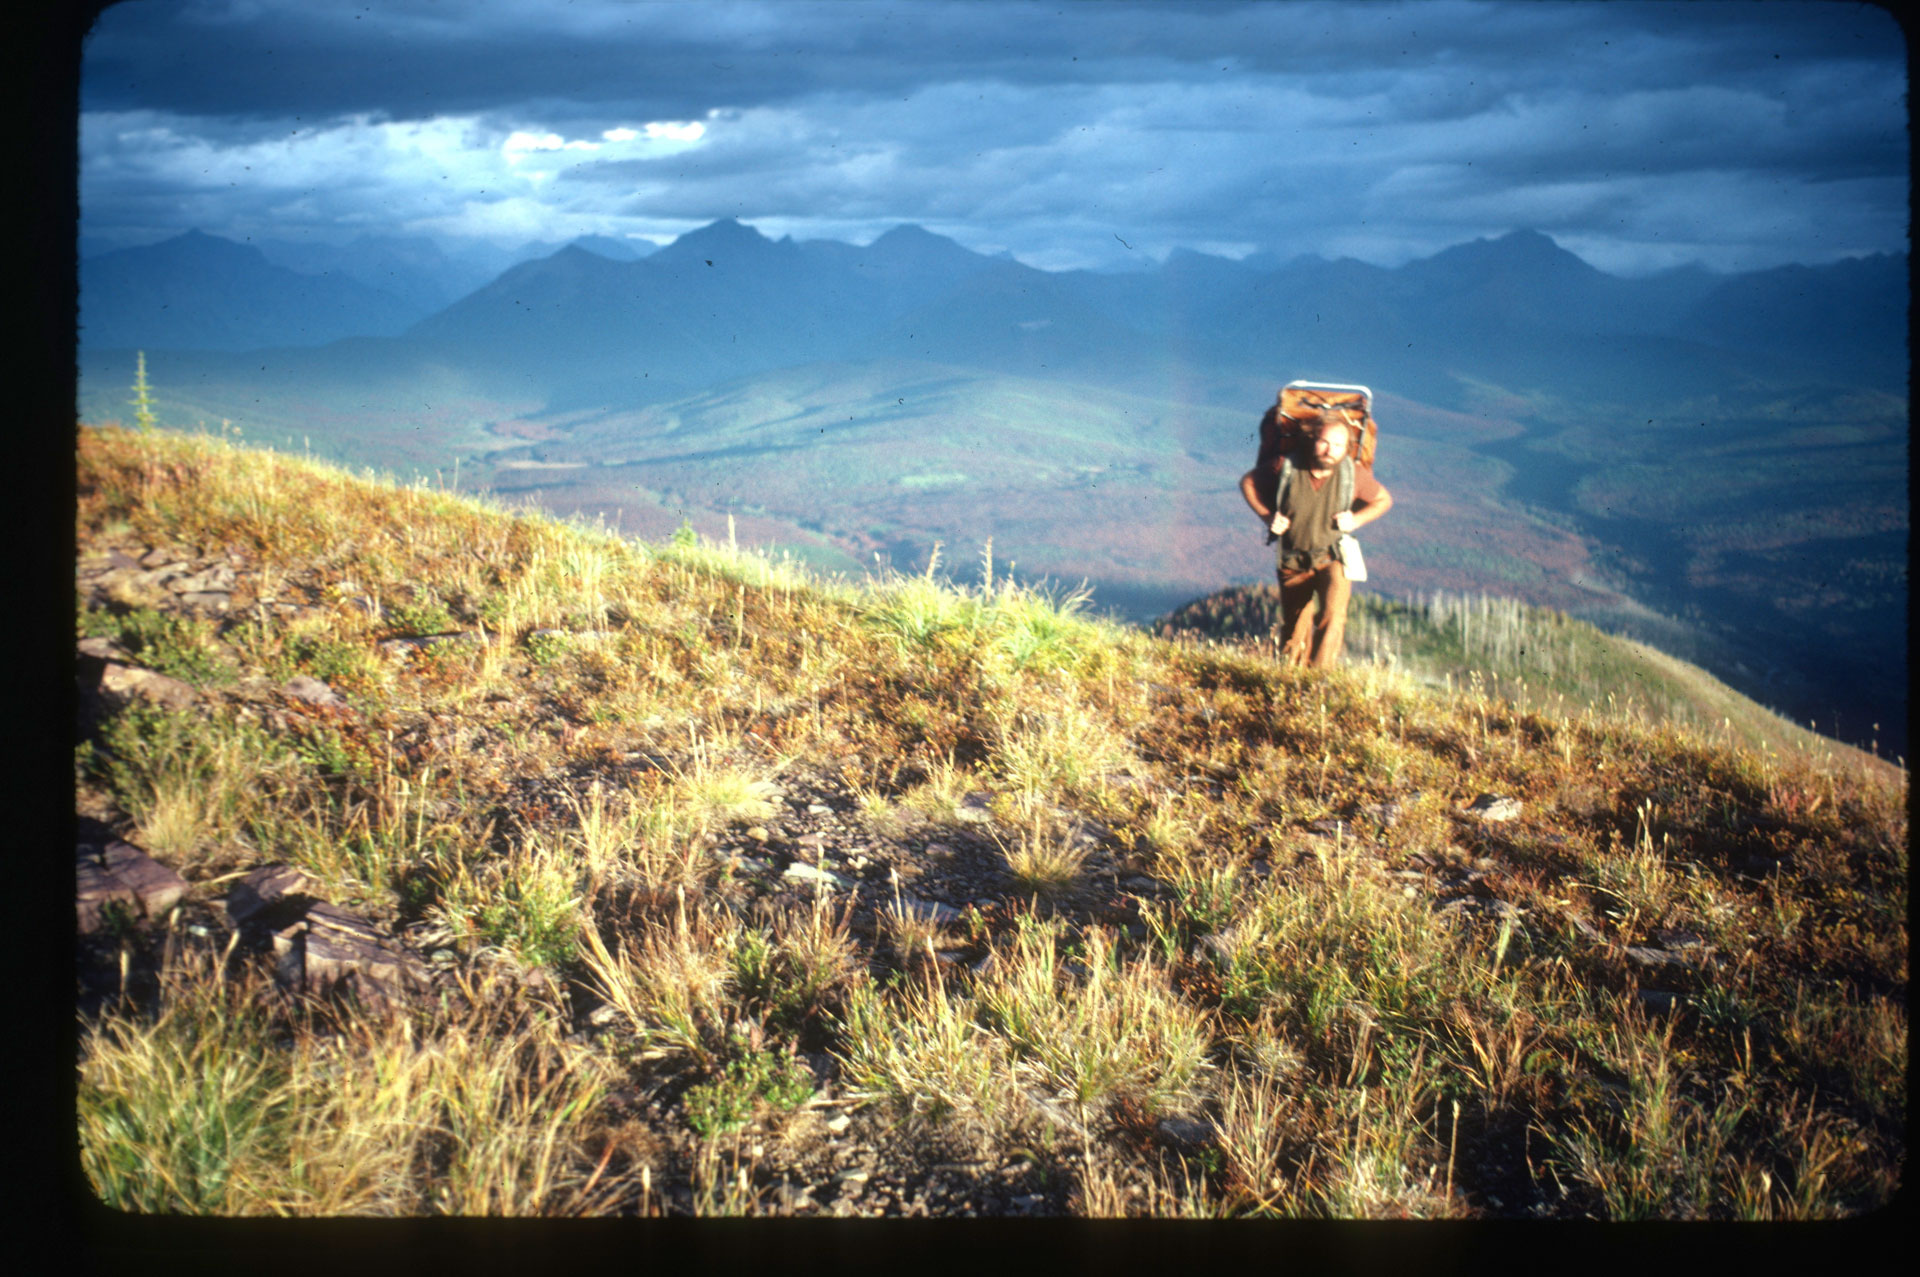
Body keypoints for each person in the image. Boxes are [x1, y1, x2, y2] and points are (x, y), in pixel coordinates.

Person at [1238, 415, 1392, 668]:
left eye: (1338, 446)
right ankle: (1291, 681)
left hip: (1333, 556)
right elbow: (1248, 482)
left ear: (1347, 449)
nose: (1330, 451)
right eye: (1324, 442)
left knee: (1333, 616)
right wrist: (1267, 516)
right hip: (1292, 558)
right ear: (1313, 440)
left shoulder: (1353, 474)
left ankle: (1319, 680)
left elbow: (1383, 500)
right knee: (1295, 625)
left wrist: (1356, 520)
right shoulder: (1284, 467)